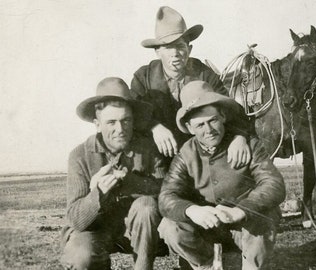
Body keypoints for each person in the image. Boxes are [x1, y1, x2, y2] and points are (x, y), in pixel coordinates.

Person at [158, 81, 286, 270]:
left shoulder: (248, 144)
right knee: (169, 227)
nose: (208, 130)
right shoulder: (185, 154)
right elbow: (166, 196)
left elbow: (273, 183)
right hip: (206, 232)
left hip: (244, 230)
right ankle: (207, 264)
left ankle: (251, 265)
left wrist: (242, 210)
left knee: (263, 214)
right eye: (200, 125)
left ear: (223, 116)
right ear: (190, 128)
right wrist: (192, 210)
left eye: (213, 120)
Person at [60, 77, 167, 270]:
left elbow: (165, 194)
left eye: (126, 120)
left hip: (137, 234)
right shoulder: (79, 155)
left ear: (134, 121)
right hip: (94, 231)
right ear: (97, 124)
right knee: (81, 256)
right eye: (111, 122)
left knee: (146, 206)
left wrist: (132, 182)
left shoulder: (149, 149)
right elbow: (76, 219)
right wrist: (97, 193)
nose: (120, 129)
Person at [131, 6, 250, 169]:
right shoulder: (143, 78)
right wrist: (154, 126)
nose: (175, 53)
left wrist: (239, 137)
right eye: (168, 47)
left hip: (199, 158)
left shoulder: (204, 74)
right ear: (157, 52)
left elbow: (232, 109)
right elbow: (131, 113)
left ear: (190, 49)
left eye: (180, 46)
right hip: (157, 160)